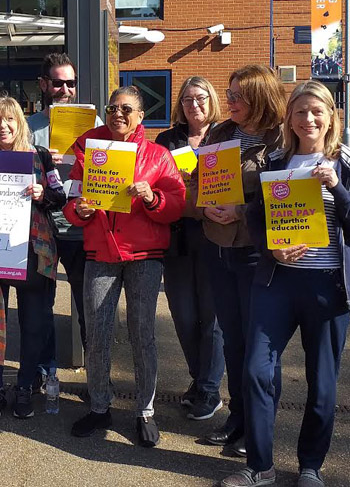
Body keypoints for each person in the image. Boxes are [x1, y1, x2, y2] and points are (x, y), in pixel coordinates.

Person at [220, 81, 350, 487]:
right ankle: (260, 466)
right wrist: (274, 249)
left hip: (328, 287)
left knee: (322, 382)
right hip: (277, 283)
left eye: (315, 111)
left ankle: (310, 466)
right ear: (289, 118)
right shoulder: (276, 160)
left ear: (330, 117)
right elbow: (256, 220)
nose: (308, 119)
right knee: (255, 371)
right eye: (300, 112)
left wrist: (336, 187)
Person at [66, 86, 185, 447]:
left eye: (127, 108)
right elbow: (72, 202)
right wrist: (79, 211)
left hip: (144, 256)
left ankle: (145, 410)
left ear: (141, 115)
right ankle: (100, 405)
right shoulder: (88, 152)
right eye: (112, 107)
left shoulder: (159, 156)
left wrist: (152, 197)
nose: (118, 113)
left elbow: (176, 204)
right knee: (97, 333)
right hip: (101, 253)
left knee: (142, 332)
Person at [189, 65, 286, 457]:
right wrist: (205, 207)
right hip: (218, 248)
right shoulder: (220, 133)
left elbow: (285, 192)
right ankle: (237, 417)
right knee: (232, 339)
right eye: (228, 94)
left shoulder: (280, 137)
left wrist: (242, 211)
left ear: (260, 98)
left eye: (236, 96)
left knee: (259, 346)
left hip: (256, 253)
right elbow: (197, 181)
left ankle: (259, 426)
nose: (227, 101)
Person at [0, 96, 66, 420]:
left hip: (34, 252)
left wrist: (43, 194)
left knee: (34, 325)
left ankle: (25, 387)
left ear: (20, 123)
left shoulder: (40, 157)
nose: (2, 126)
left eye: (9, 119)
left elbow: (60, 196)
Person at [27, 52, 102, 382]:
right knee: (41, 309)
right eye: (58, 83)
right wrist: (39, 162)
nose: (65, 89)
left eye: (71, 83)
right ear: (44, 84)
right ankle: (45, 373)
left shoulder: (96, 125)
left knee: (89, 308)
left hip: (81, 227)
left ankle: (97, 381)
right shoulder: (27, 128)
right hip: (42, 227)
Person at [155, 76, 225, 421]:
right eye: (186, 100)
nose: (193, 105)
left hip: (217, 236)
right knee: (183, 315)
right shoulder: (167, 140)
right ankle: (200, 380)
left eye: (199, 98)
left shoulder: (226, 135)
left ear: (211, 99)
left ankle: (209, 389)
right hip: (177, 237)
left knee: (212, 319)